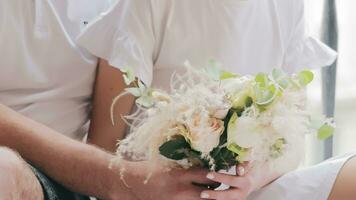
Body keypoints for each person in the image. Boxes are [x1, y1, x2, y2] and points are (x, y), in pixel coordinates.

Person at [77, 0, 356, 199]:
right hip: (161, 193)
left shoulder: (288, 5)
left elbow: (293, 145)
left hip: (255, 191)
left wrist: (250, 180)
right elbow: (103, 149)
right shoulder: (146, 5)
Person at [0, 1, 213, 199]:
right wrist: (117, 180)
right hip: (33, 168)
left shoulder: (127, 8)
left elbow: (110, 132)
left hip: (76, 180)